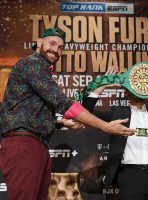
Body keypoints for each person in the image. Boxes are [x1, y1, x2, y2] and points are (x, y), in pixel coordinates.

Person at [0, 28, 135, 200]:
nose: (56, 50)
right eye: (52, 43)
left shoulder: (41, 70)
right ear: (39, 42)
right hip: (24, 144)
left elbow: (30, 109)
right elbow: (63, 103)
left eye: (61, 47)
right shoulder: (31, 64)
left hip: (37, 145)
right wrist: (105, 126)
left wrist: (62, 123)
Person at [82, 66, 148, 200]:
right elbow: (85, 114)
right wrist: (100, 87)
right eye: (133, 84)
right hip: (129, 177)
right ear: (126, 91)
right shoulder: (117, 112)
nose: (138, 88)